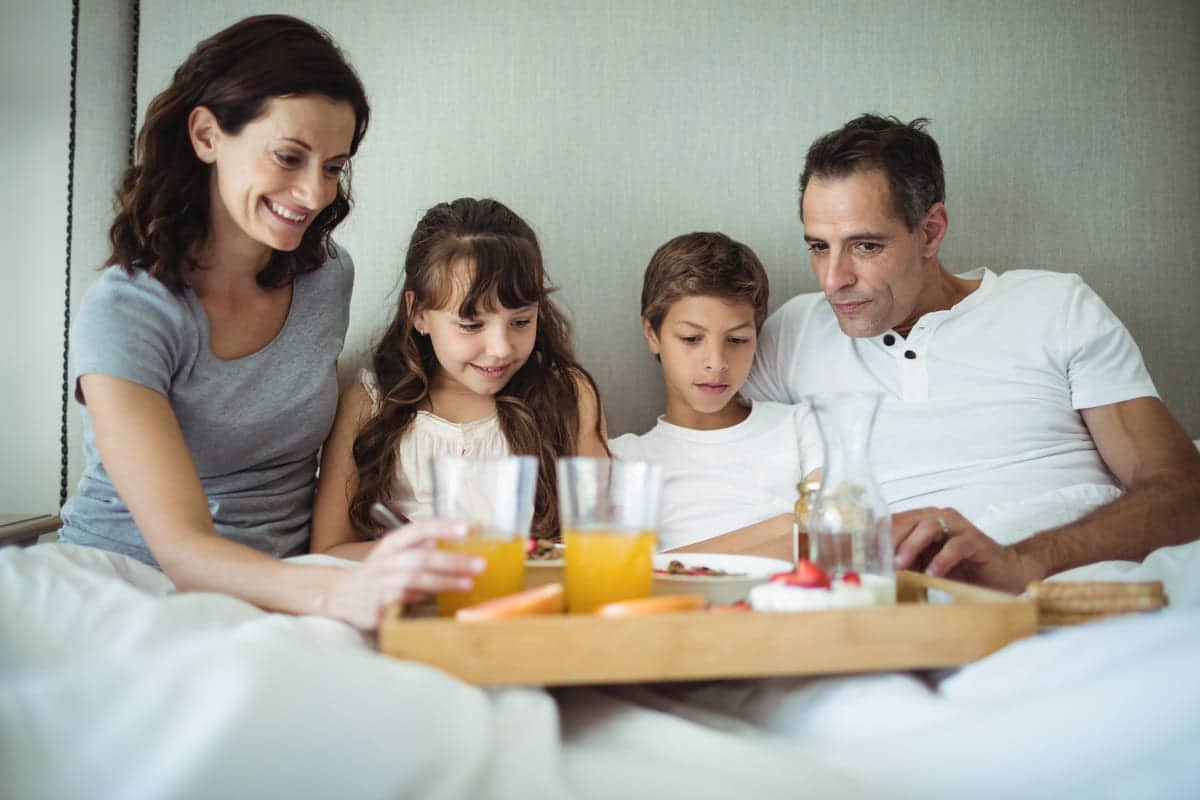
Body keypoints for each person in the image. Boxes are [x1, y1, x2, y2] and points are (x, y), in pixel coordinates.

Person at [57, 15, 481, 631]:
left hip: (285, 589)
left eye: (333, 167)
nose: (313, 194)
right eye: (289, 157)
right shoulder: (127, 312)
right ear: (206, 135)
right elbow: (182, 550)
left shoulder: (327, 278)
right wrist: (336, 594)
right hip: (132, 585)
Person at [743, 113, 1200, 593]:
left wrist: (1023, 562)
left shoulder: (1054, 306)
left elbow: (1183, 490)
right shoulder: (793, 334)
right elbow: (700, 442)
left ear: (931, 231)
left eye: (865, 245)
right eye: (818, 246)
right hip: (908, 610)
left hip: (1081, 585)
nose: (833, 279)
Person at [311, 197, 609, 559]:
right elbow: (329, 551)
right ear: (419, 312)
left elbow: (600, 543)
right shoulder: (370, 404)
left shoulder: (568, 396)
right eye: (471, 325)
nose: (500, 348)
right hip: (411, 600)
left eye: (520, 321)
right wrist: (424, 553)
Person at [607, 232, 822, 554]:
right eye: (692, 338)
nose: (716, 363)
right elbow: (627, 575)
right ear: (652, 334)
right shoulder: (626, 459)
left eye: (736, 340)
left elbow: (831, 539)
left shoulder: (800, 426)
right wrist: (782, 526)